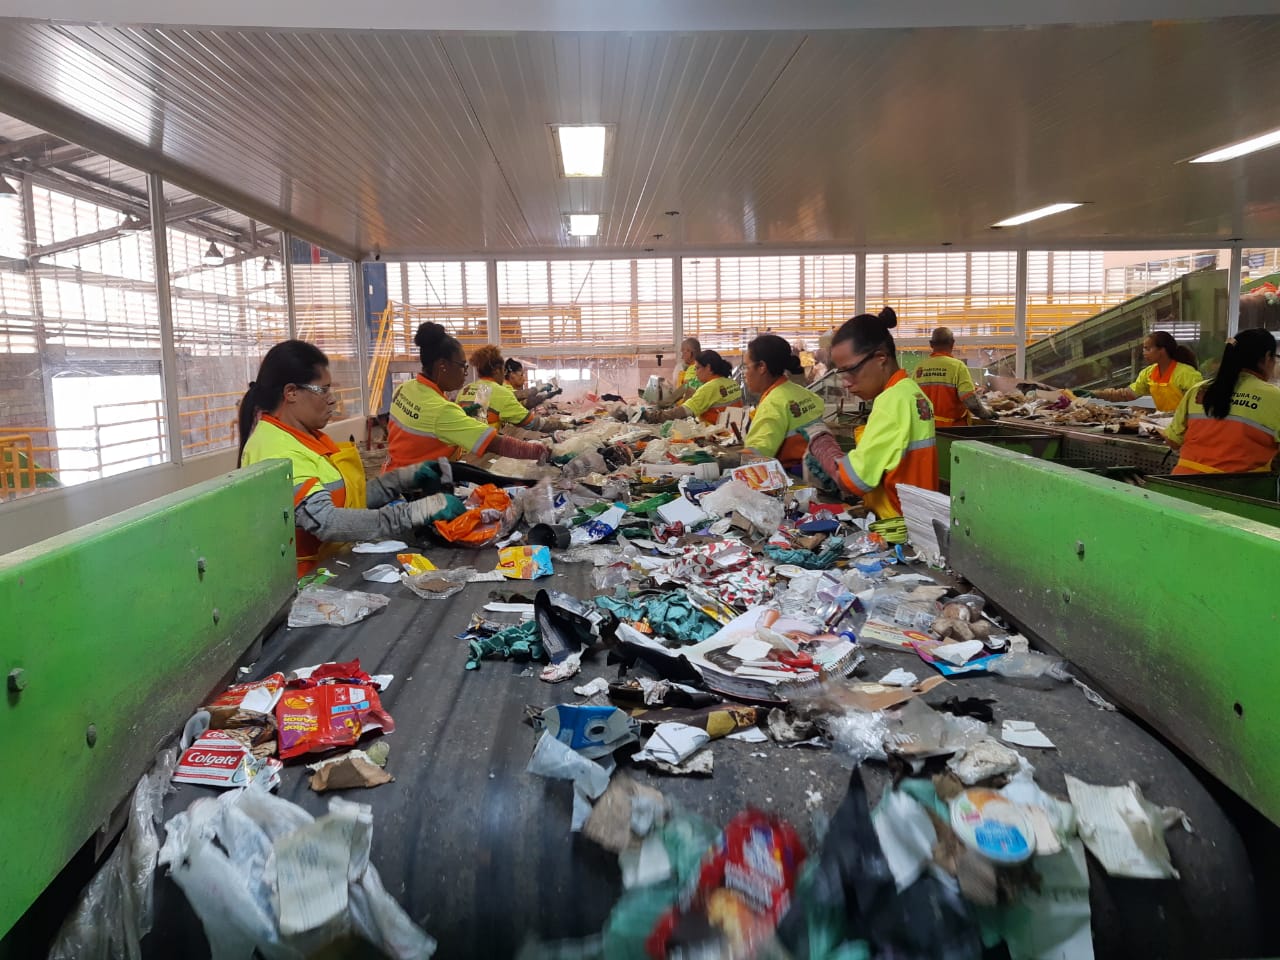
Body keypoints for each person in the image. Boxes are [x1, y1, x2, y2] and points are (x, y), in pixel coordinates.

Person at [238, 340, 464, 575]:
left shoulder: (307, 438)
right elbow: (329, 521)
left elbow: (347, 501)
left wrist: (401, 479)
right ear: (291, 392)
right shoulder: (276, 448)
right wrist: (415, 512)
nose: (332, 399)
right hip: (306, 584)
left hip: (336, 567)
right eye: (323, 390)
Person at [804, 307, 939, 520]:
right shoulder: (912, 392)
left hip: (895, 526)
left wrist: (822, 444)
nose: (846, 382)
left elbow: (853, 480)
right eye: (841, 373)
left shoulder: (891, 401)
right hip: (917, 520)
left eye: (852, 370)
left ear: (881, 357)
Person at [385, 323, 547, 471]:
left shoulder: (404, 388)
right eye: (462, 366)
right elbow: (501, 438)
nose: (465, 372)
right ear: (443, 366)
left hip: (393, 476)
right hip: (417, 487)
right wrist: (541, 450)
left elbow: (424, 426)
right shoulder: (444, 410)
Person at [1165, 329, 1280, 475]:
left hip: (1182, 483)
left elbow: (1173, 441)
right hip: (1233, 490)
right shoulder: (1274, 397)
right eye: (1275, 358)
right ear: (1267, 357)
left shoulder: (1198, 389)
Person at [741, 334, 825, 467]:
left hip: (793, 477)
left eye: (746, 367)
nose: (744, 374)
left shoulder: (774, 403)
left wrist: (728, 461)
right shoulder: (802, 393)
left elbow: (756, 455)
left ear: (762, 366)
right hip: (818, 471)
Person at [457, 345, 567, 431]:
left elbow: (480, 419)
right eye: (503, 370)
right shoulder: (500, 391)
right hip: (484, 449)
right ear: (497, 370)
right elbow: (531, 421)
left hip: (464, 452)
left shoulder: (465, 390)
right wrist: (564, 425)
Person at [1089, 331, 1200, 412]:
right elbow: (1126, 395)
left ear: (1162, 350)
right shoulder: (1149, 373)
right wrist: (1094, 394)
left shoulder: (1186, 374)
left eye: (1148, 349)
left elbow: (1199, 405)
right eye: (1143, 349)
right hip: (1165, 426)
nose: (1144, 353)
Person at [913, 327, 994, 426]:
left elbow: (913, 399)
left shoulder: (919, 368)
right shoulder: (958, 367)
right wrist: (987, 414)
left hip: (926, 428)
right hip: (952, 430)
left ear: (931, 344)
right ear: (952, 343)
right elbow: (970, 401)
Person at [643, 350, 744, 424]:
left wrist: (653, 416)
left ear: (708, 368)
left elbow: (683, 411)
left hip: (717, 434)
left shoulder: (710, 387)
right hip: (734, 432)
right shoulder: (732, 383)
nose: (695, 373)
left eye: (697, 368)